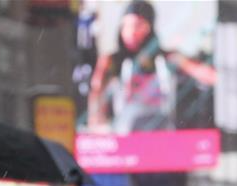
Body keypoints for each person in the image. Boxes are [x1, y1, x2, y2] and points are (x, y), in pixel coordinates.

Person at [86, 0, 216, 134]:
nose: (131, 32)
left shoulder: (166, 58)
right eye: (126, 25)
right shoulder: (111, 61)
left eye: (137, 25)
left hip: (161, 132)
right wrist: (96, 124)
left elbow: (205, 74)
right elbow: (96, 93)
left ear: (149, 27)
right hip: (125, 134)